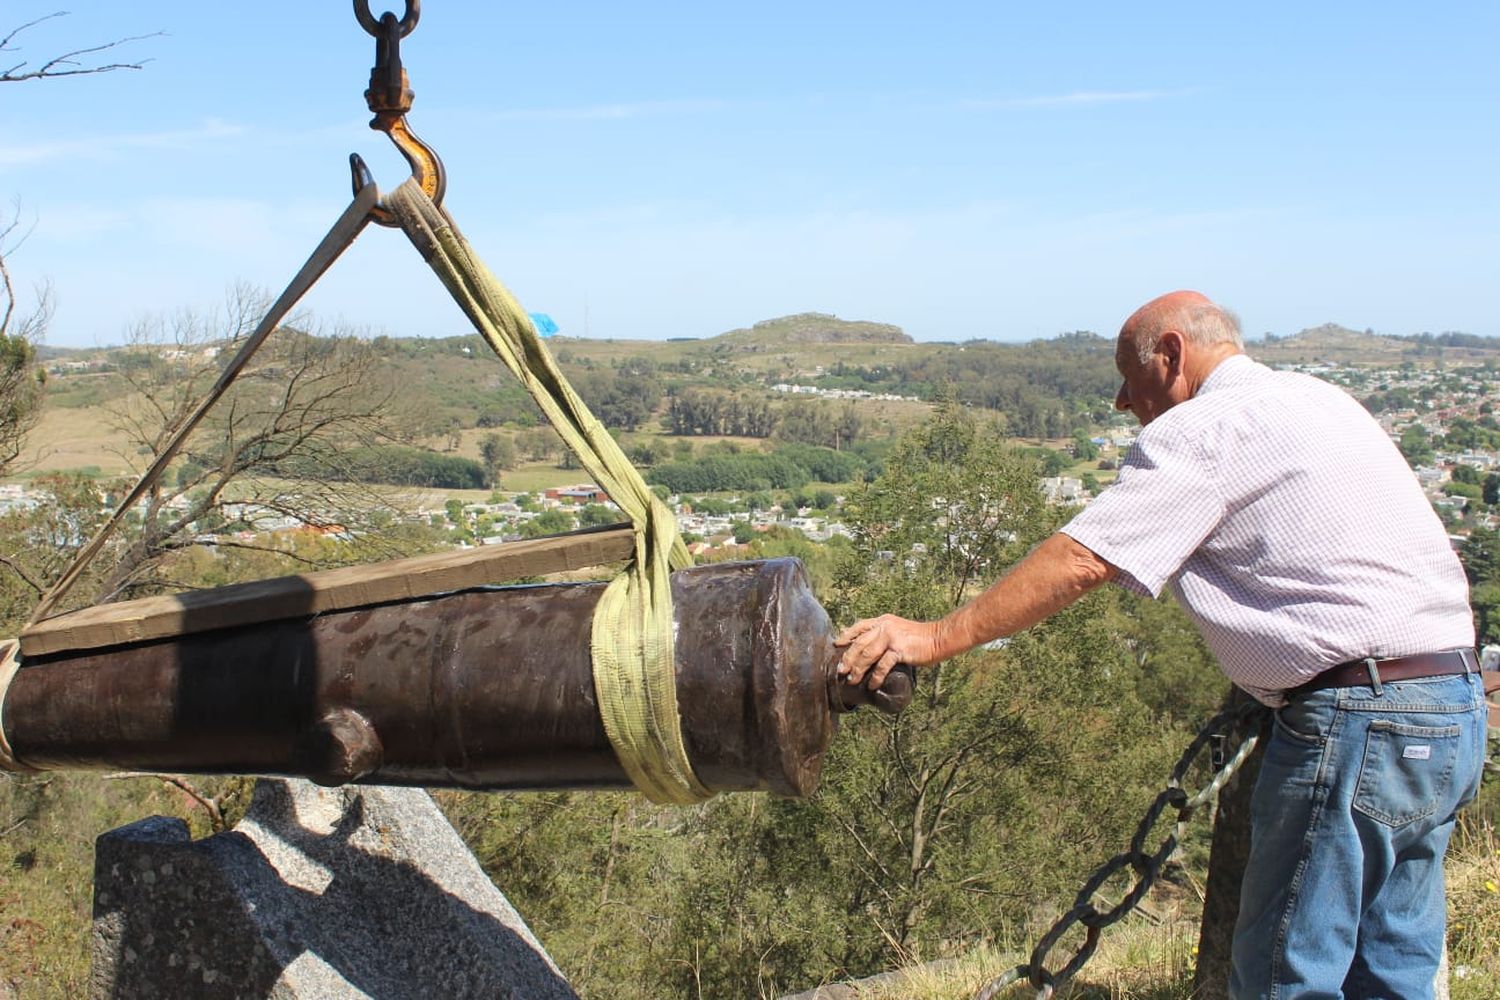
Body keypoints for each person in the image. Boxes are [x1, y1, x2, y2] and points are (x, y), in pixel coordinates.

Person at [836, 291, 1485, 1000]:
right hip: (1451, 705)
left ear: (1171, 354)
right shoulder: (1322, 401)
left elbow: (1084, 559)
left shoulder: (1207, 427)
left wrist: (930, 636)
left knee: (1287, 977)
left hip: (1357, 717)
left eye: (1128, 375)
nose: (1121, 401)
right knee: (1394, 969)